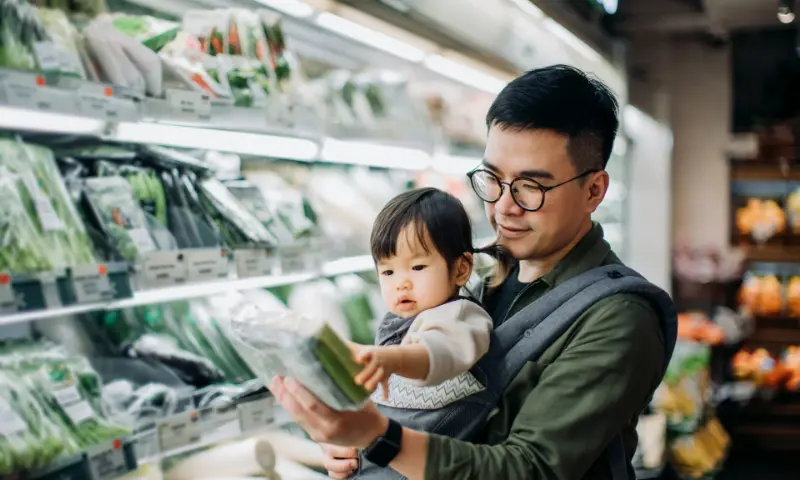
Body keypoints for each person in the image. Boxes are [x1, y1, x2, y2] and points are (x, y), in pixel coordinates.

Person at [270, 64, 670, 480]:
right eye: (493, 178)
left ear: (594, 190)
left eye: (531, 187)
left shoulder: (620, 318)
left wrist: (382, 438)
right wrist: (345, 438)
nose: (503, 206)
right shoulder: (480, 274)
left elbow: (529, 470)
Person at [351, 187, 497, 399]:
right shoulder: (394, 322)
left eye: (418, 267)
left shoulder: (461, 315)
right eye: (388, 271)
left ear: (460, 269)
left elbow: (437, 351)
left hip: (438, 431)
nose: (401, 284)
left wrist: (393, 359)